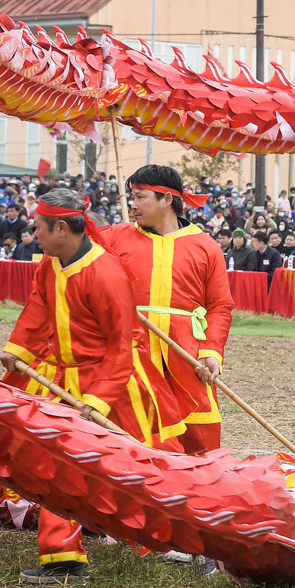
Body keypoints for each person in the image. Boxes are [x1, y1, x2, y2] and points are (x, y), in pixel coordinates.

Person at [0, 189, 165, 583]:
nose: (32, 233)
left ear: (61, 227)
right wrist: (18, 348)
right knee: (58, 463)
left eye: (38, 227)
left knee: (139, 465)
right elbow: (39, 307)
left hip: (111, 383)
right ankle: (62, 555)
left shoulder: (105, 273)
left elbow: (120, 346)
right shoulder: (52, 262)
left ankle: (177, 534)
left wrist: (97, 400)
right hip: (65, 380)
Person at [105, 165, 234, 457]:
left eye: (140, 197)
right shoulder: (114, 238)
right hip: (133, 354)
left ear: (166, 199)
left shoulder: (206, 246)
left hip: (186, 354)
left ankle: (199, 494)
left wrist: (211, 352)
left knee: (198, 436)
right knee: (132, 432)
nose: (132, 205)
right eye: (131, 197)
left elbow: (219, 307)